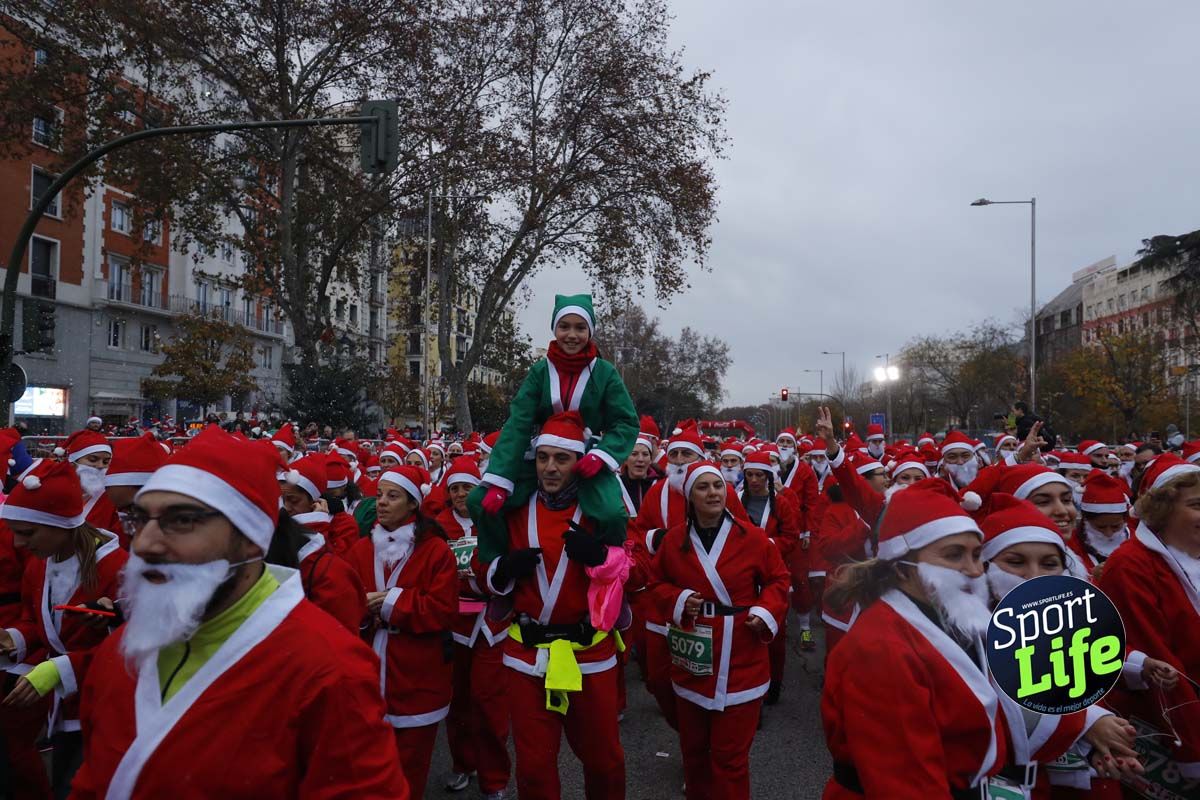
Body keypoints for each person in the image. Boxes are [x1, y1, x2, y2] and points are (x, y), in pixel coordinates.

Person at [60, 426, 408, 798]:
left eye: (182, 520)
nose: (144, 543)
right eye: (138, 518)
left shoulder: (329, 670)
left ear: (248, 540)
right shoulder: (122, 653)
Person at [821, 478, 1008, 797]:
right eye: (953, 555)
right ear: (902, 568)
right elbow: (908, 784)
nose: (975, 571)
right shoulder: (881, 649)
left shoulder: (948, 615)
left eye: (977, 555)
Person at [475, 410, 627, 800]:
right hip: (527, 654)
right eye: (543, 458)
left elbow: (638, 566)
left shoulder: (603, 512)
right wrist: (502, 568)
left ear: (581, 462)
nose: (550, 468)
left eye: (562, 458)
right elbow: (481, 567)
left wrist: (599, 556)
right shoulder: (514, 508)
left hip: (589, 650)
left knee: (604, 761)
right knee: (535, 767)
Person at [979, 494, 1146, 796]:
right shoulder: (969, 632)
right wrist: (1086, 723)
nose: (1034, 575)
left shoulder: (1070, 620)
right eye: (1015, 562)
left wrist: (1103, 745)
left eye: (1049, 564)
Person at [648, 461, 789, 800]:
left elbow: (778, 580)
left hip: (741, 652)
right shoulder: (674, 541)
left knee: (730, 759)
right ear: (690, 496)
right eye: (703, 487)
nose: (713, 492)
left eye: (717, 486)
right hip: (691, 656)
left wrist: (764, 611)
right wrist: (679, 599)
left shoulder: (753, 538)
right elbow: (656, 582)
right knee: (694, 753)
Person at [470, 293, 639, 565]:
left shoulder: (606, 373)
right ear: (554, 329)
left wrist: (602, 455)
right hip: (543, 455)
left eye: (580, 328)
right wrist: (500, 479)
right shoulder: (539, 372)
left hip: (586, 459)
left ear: (590, 331)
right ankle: (498, 567)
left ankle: (610, 573)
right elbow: (518, 424)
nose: (572, 335)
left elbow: (626, 422)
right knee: (480, 501)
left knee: (611, 514)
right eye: (565, 327)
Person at [0, 459, 127, 799]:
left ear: (63, 525)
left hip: (106, 711)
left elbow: (134, 648)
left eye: (27, 533)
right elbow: (36, 622)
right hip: (67, 710)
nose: (19, 544)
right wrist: (13, 639)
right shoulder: (40, 565)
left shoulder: (118, 569)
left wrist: (62, 668)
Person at [346, 464, 457, 800]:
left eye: (392, 496)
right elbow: (345, 604)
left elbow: (442, 609)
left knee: (410, 766)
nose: (381, 502)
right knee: (368, 764)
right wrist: (364, 612)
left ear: (412, 504)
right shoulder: (360, 549)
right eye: (379, 495)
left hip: (416, 672)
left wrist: (392, 603)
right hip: (369, 669)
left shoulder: (436, 550)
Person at [1099, 453, 1200, 780]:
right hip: (1161, 731)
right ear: (1164, 509)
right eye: (1197, 505)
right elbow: (1157, 657)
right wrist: (1193, 751)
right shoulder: (1132, 565)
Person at [436, 457, 511, 799]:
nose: (461, 494)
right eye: (455, 488)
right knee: (458, 700)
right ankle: (462, 764)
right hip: (454, 624)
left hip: (492, 623)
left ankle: (494, 777)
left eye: (468, 487)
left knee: (489, 701)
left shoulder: (494, 520)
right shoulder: (436, 527)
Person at [277, 452, 368, 634]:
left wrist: (317, 525)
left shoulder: (343, 523)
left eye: (293, 500)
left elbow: (334, 569)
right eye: (282, 499)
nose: (286, 507)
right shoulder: (280, 523)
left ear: (315, 500)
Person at [739, 450, 805, 677]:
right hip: (742, 576)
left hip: (772, 574)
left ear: (768, 476)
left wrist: (764, 543)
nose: (755, 480)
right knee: (745, 630)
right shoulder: (736, 500)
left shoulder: (782, 504)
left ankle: (773, 683)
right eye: (750, 475)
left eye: (760, 475)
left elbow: (791, 537)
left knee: (774, 632)